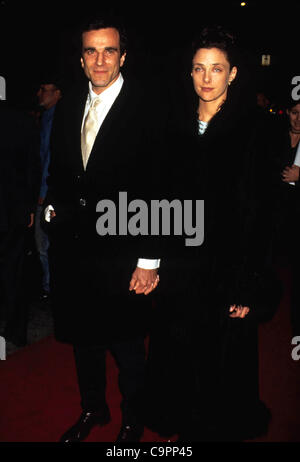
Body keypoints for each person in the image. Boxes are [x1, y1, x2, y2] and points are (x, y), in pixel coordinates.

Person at [141, 25, 279, 442]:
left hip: (226, 267)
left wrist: (250, 284)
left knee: (220, 365)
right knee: (176, 354)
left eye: (216, 69)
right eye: (199, 68)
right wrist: (150, 260)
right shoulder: (174, 123)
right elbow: (158, 195)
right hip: (180, 265)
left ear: (233, 74)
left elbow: (261, 212)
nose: (206, 78)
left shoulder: (256, 128)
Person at [43, 17, 159, 443]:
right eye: (91, 50)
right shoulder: (69, 104)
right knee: (84, 342)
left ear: (123, 56)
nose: (100, 59)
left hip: (125, 254)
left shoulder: (149, 107)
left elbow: (159, 188)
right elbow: (59, 171)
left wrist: (148, 261)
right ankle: (94, 409)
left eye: (109, 50)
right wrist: (53, 212)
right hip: (74, 253)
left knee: (128, 347)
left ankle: (133, 420)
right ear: (81, 58)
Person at [0, 100, 40, 346]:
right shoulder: (22, 120)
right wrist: (28, 208)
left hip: (13, 210)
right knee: (13, 272)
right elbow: (33, 167)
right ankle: (15, 331)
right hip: (13, 210)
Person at [269, 98, 300, 336]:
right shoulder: (273, 136)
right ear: (287, 113)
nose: (298, 119)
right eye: (294, 112)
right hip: (275, 212)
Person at [35, 77, 62, 301]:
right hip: (43, 192)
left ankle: (51, 289)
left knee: (45, 244)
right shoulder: (44, 118)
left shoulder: (58, 120)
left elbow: (50, 160)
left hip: (50, 194)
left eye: (45, 89)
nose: (40, 94)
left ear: (57, 93)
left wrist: (43, 193)